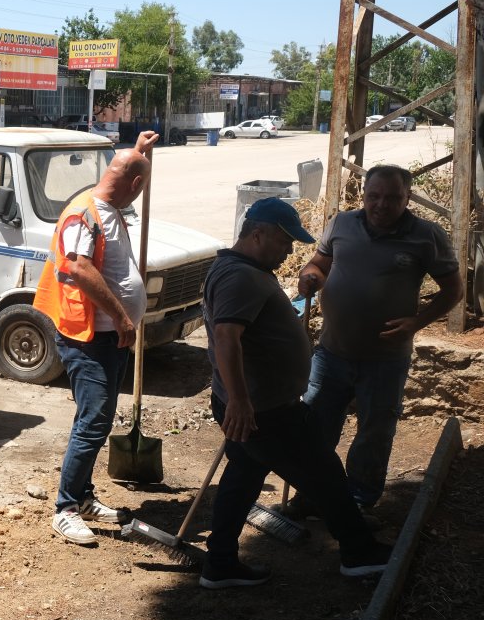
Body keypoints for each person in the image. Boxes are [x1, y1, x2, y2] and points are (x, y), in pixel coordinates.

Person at [202, 198, 389, 589]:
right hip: (263, 411)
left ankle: (219, 563)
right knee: (325, 475)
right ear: (259, 234)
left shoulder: (243, 269)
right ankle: (358, 554)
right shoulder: (240, 277)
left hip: (253, 406)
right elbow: (226, 338)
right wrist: (239, 400)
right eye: (285, 241)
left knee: (243, 478)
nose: (290, 250)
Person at [297, 165, 462, 512]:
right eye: (374, 196)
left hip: (385, 359)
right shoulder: (342, 224)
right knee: (315, 427)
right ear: (364, 195)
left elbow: (453, 290)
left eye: (392, 198)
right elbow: (319, 264)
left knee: (374, 434)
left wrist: (418, 322)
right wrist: (310, 274)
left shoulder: (426, 235)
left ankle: (358, 501)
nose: (381, 205)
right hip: (332, 353)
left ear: (407, 198)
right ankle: (313, 494)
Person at [34, 130, 157, 546]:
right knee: (93, 422)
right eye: (140, 187)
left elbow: (127, 173)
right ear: (136, 185)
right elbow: (77, 269)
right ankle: (66, 509)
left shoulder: (106, 206)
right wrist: (123, 317)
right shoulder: (83, 212)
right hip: (89, 336)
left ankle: (83, 497)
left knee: (96, 420)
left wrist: (139, 153)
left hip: (110, 337)